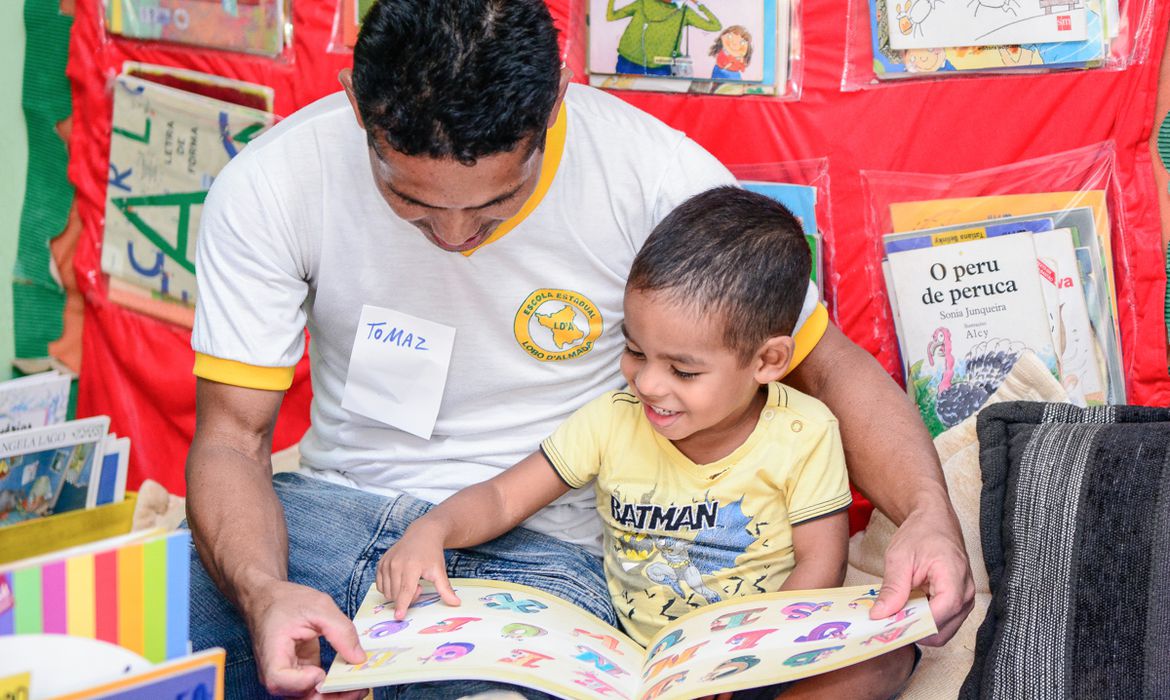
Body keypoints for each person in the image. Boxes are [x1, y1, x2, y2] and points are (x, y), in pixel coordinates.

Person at [185, 0, 974, 697]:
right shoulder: (271, 183)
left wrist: (928, 514)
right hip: (326, 521)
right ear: (358, 107)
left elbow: (825, 362)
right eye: (411, 201)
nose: (455, 237)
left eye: (496, 204)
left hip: (542, 561)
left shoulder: (654, 175)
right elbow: (232, 438)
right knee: (150, 625)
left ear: (556, 103)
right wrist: (261, 590)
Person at [379, 187, 856, 698]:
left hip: (758, 654)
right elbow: (501, 497)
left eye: (683, 371)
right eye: (634, 351)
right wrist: (434, 528)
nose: (647, 383)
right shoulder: (611, 420)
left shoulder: (805, 432)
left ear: (767, 361)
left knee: (877, 664)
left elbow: (821, 564)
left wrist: (746, 657)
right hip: (633, 661)